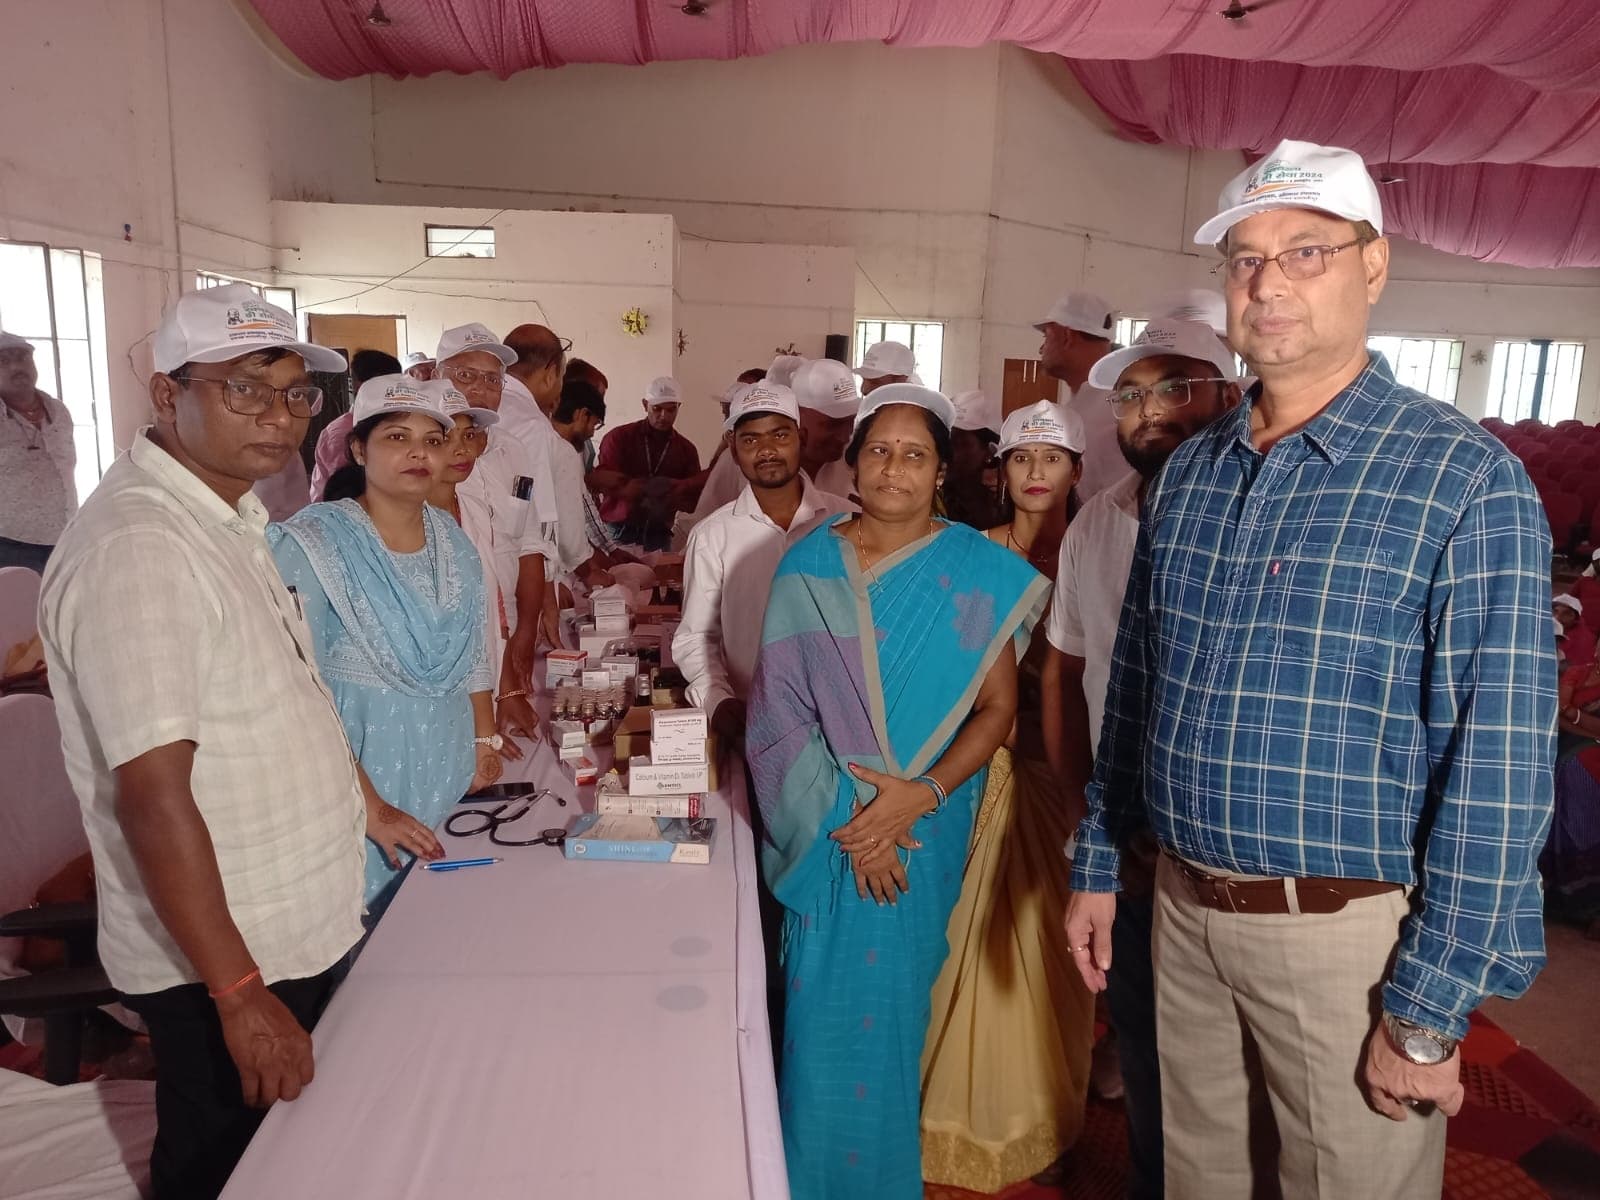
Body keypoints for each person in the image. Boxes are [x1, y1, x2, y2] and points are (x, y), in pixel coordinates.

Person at [1064, 140, 1556, 1199]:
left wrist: (1423, 1014)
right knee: (1198, 1178)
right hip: (1184, 917)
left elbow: (1500, 769)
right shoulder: (1190, 473)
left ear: (1372, 266)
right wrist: (1099, 859)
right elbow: (1137, 691)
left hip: (1348, 944)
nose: (1267, 282)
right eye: (1244, 259)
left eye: (1304, 253)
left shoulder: (1463, 479)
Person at [37, 285, 439, 1200]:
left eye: (296, 394)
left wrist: (365, 804)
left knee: (290, 1157)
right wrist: (236, 994)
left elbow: (284, 692)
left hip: (287, 920)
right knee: (223, 1165)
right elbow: (153, 792)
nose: (281, 416)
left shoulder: (227, 517)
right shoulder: (142, 548)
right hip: (228, 953)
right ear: (165, 393)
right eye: (244, 389)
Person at [746, 383, 1048, 1200]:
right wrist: (856, 819)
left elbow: (997, 711)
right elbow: (777, 723)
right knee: (822, 1032)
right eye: (878, 450)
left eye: (915, 454)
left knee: (889, 1025)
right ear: (849, 462)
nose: (894, 468)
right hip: (832, 834)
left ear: (942, 472)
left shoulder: (981, 572)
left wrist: (919, 796)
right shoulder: (807, 564)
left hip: (924, 829)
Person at [1041, 317, 1245, 1200]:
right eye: (1132, 394)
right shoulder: (1097, 523)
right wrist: (1089, 809)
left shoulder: (1268, 512)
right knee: (1149, 1049)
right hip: (1129, 847)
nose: (1150, 411)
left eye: (1175, 388)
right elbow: (1068, 672)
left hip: (1243, 856)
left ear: (1227, 394)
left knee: (1254, 1083)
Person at [920, 398, 1094, 1191]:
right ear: (999, 472)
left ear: (1075, 472)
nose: (1035, 474)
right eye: (1021, 460)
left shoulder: (1095, 558)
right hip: (993, 766)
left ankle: (1039, 1100)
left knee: (1054, 935)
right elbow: (958, 677)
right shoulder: (976, 557)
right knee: (974, 931)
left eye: (1051, 459)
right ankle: (962, 1111)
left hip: (1074, 774)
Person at [271, 375, 500, 916]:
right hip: (360, 758)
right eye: (397, 437)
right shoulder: (313, 543)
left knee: (442, 917)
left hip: (444, 750)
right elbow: (297, 686)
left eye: (433, 440)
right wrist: (367, 801)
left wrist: (485, 741)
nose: (419, 452)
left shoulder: (456, 545)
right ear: (358, 449)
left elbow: (473, 653)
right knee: (364, 917)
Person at [674, 381, 851, 750]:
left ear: (801, 438)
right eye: (750, 440)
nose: (766, 450)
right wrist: (716, 700)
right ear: (734, 452)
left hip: (845, 719)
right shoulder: (712, 536)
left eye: (780, 435)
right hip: (757, 723)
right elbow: (696, 636)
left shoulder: (848, 522)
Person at [437, 323, 554, 745]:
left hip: (509, 616)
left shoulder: (514, 452)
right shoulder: (427, 461)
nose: (480, 389)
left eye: (492, 379)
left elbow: (529, 542)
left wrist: (525, 631)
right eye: (465, 375)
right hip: (458, 637)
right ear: (436, 374)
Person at [595, 376, 702, 551]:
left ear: (679, 407)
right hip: (619, 531)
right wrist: (648, 490)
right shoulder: (619, 438)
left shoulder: (686, 449)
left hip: (659, 534)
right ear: (645, 405)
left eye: (671, 410)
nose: (663, 416)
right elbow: (604, 483)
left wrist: (671, 497)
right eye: (657, 409)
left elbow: (694, 500)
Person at [0, 330, 77, 571]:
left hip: (67, 536)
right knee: (22, 607)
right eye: (3, 361)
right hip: (12, 545)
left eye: (22, 358)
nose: (16, 367)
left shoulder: (58, 411)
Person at [1034, 291, 1119, 503]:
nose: (1041, 348)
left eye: (1047, 336)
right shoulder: (1082, 403)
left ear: (1067, 336)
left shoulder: (1115, 406)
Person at [310, 348, 402, 502]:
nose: (396, 392)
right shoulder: (341, 433)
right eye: (389, 386)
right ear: (361, 387)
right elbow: (348, 492)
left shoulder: (390, 423)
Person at [944, 389, 1004, 530]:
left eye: (962, 444)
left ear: (989, 452)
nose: (950, 451)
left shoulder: (997, 509)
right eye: (947, 441)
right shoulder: (932, 498)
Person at [1555, 593, 1595, 667]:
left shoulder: (1583, 640)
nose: (1557, 618)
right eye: (1555, 611)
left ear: (1576, 619)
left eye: (1566, 614)